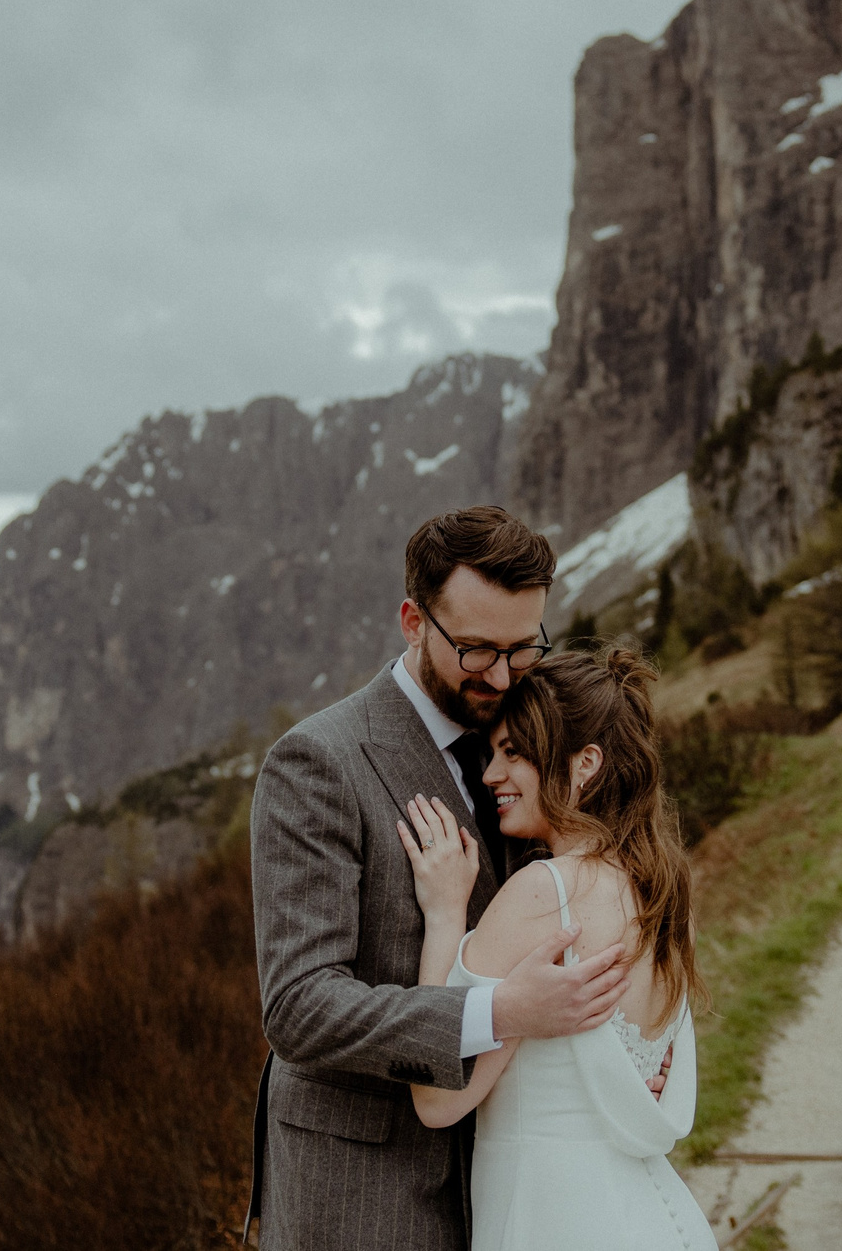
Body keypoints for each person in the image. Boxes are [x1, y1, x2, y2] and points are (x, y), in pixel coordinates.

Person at [248, 506, 633, 1251]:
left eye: (523, 648)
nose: (501, 675)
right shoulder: (318, 763)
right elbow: (298, 1007)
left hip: (511, 1173)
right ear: (413, 621)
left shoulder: (529, 731)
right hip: (363, 1189)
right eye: (477, 649)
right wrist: (499, 1011)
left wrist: (615, 1064)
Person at [392, 645, 717, 1251]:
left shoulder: (544, 894)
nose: (490, 774)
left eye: (514, 753)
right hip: (655, 1217)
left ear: (584, 763)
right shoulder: (665, 899)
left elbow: (437, 1099)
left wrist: (444, 913)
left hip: (552, 1219)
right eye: (493, 753)